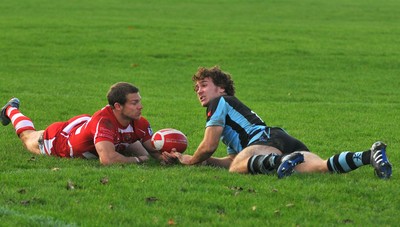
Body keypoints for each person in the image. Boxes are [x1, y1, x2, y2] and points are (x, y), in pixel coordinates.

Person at [174, 66, 392, 179]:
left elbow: (209, 146)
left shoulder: (219, 102)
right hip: (279, 139)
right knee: (320, 167)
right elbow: (233, 159)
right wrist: (206, 162)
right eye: (196, 89)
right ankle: (369, 155)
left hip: (264, 141)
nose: (199, 91)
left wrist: (189, 160)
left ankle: (279, 162)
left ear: (221, 88)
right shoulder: (232, 112)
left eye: (203, 85)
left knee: (239, 168)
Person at [1, 82, 173, 165]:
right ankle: (10, 110)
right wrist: (137, 160)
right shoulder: (104, 122)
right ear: (118, 106)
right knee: (28, 137)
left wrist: (168, 156)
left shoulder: (139, 121)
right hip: (59, 139)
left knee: (130, 142)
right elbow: (107, 160)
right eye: (134, 103)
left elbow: (153, 149)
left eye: (139, 101)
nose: (140, 106)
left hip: (86, 126)